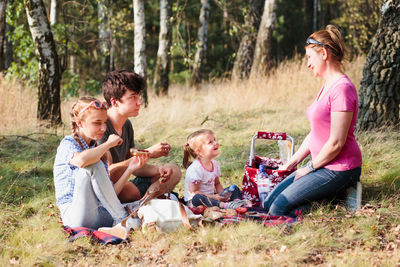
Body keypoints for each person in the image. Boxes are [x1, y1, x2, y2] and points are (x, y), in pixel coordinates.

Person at [263, 25, 362, 217]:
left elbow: (336, 143)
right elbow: (316, 132)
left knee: (279, 210)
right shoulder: (327, 86)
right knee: (269, 203)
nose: (308, 64)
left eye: (309, 57)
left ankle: (338, 199)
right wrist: (292, 163)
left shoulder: (342, 89)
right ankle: (332, 195)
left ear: (323, 53)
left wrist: (308, 168)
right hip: (322, 165)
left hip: (339, 169)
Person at [53, 97, 148, 230]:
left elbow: (110, 195)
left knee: (144, 209)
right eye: (97, 123)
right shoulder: (68, 144)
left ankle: (122, 219)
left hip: (99, 214)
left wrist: (130, 169)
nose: (103, 128)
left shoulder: (97, 151)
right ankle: (122, 219)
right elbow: (81, 161)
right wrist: (108, 144)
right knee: (93, 164)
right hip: (74, 216)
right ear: (80, 123)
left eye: (105, 122)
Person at [98, 70, 181, 203]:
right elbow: (107, 173)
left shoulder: (126, 124)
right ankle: (149, 201)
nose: (139, 102)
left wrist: (158, 170)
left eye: (139, 96)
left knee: (173, 170)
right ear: (114, 102)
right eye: (133, 97)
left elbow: (135, 166)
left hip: (126, 182)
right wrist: (148, 153)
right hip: (110, 187)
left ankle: (146, 201)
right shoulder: (101, 126)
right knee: (129, 190)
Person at [183, 129, 247, 209]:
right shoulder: (195, 168)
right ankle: (224, 205)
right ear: (199, 151)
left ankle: (236, 202)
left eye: (214, 140)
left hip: (212, 197)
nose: (215, 143)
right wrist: (213, 197)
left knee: (234, 188)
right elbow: (193, 193)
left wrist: (223, 195)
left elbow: (217, 184)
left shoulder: (215, 164)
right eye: (210, 142)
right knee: (197, 198)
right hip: (196, 202)